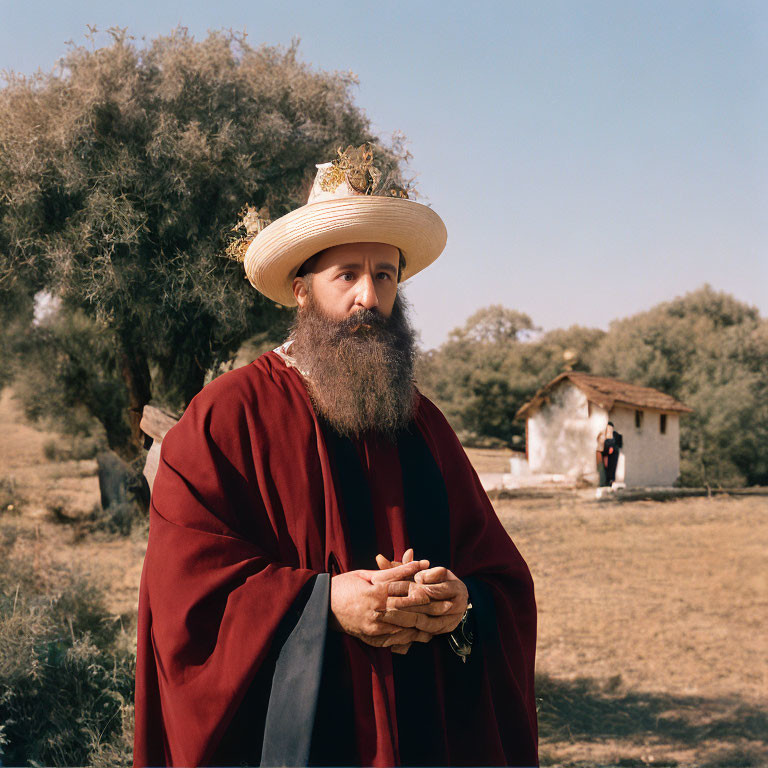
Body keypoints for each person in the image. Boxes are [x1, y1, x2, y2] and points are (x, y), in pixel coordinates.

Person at [133, 145, 538, 767]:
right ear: (302, 291)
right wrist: (324, 604)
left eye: (384, 275)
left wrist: (463, 602)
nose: (368, 299)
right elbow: (186, 590)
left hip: (424, 729)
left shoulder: (423, 423)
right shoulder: (227, 417)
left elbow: (500, 577)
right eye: (346, 275)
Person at [602, 421, 622, 486]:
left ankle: (611, 481)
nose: (609, 429)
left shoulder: (615, 434)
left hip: (613, 455)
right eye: (608, 428)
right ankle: (607, 481)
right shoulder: (605, 435)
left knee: (612, 467)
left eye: (610, 428)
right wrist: (607, 450)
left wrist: (612, 448)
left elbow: (619, 444)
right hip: (606, 454)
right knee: (606, 468)